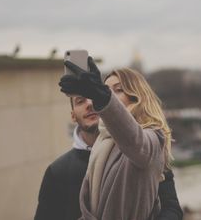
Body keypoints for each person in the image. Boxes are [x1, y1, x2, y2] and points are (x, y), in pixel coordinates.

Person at [34, 58, 182, 220]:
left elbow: (171, 209)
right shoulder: (60, 170)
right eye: (80, 101)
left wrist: (103, 96)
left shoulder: (151, 141)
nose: (91, 103)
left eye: (117, 90)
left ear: (137, 97)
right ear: (72, 116)